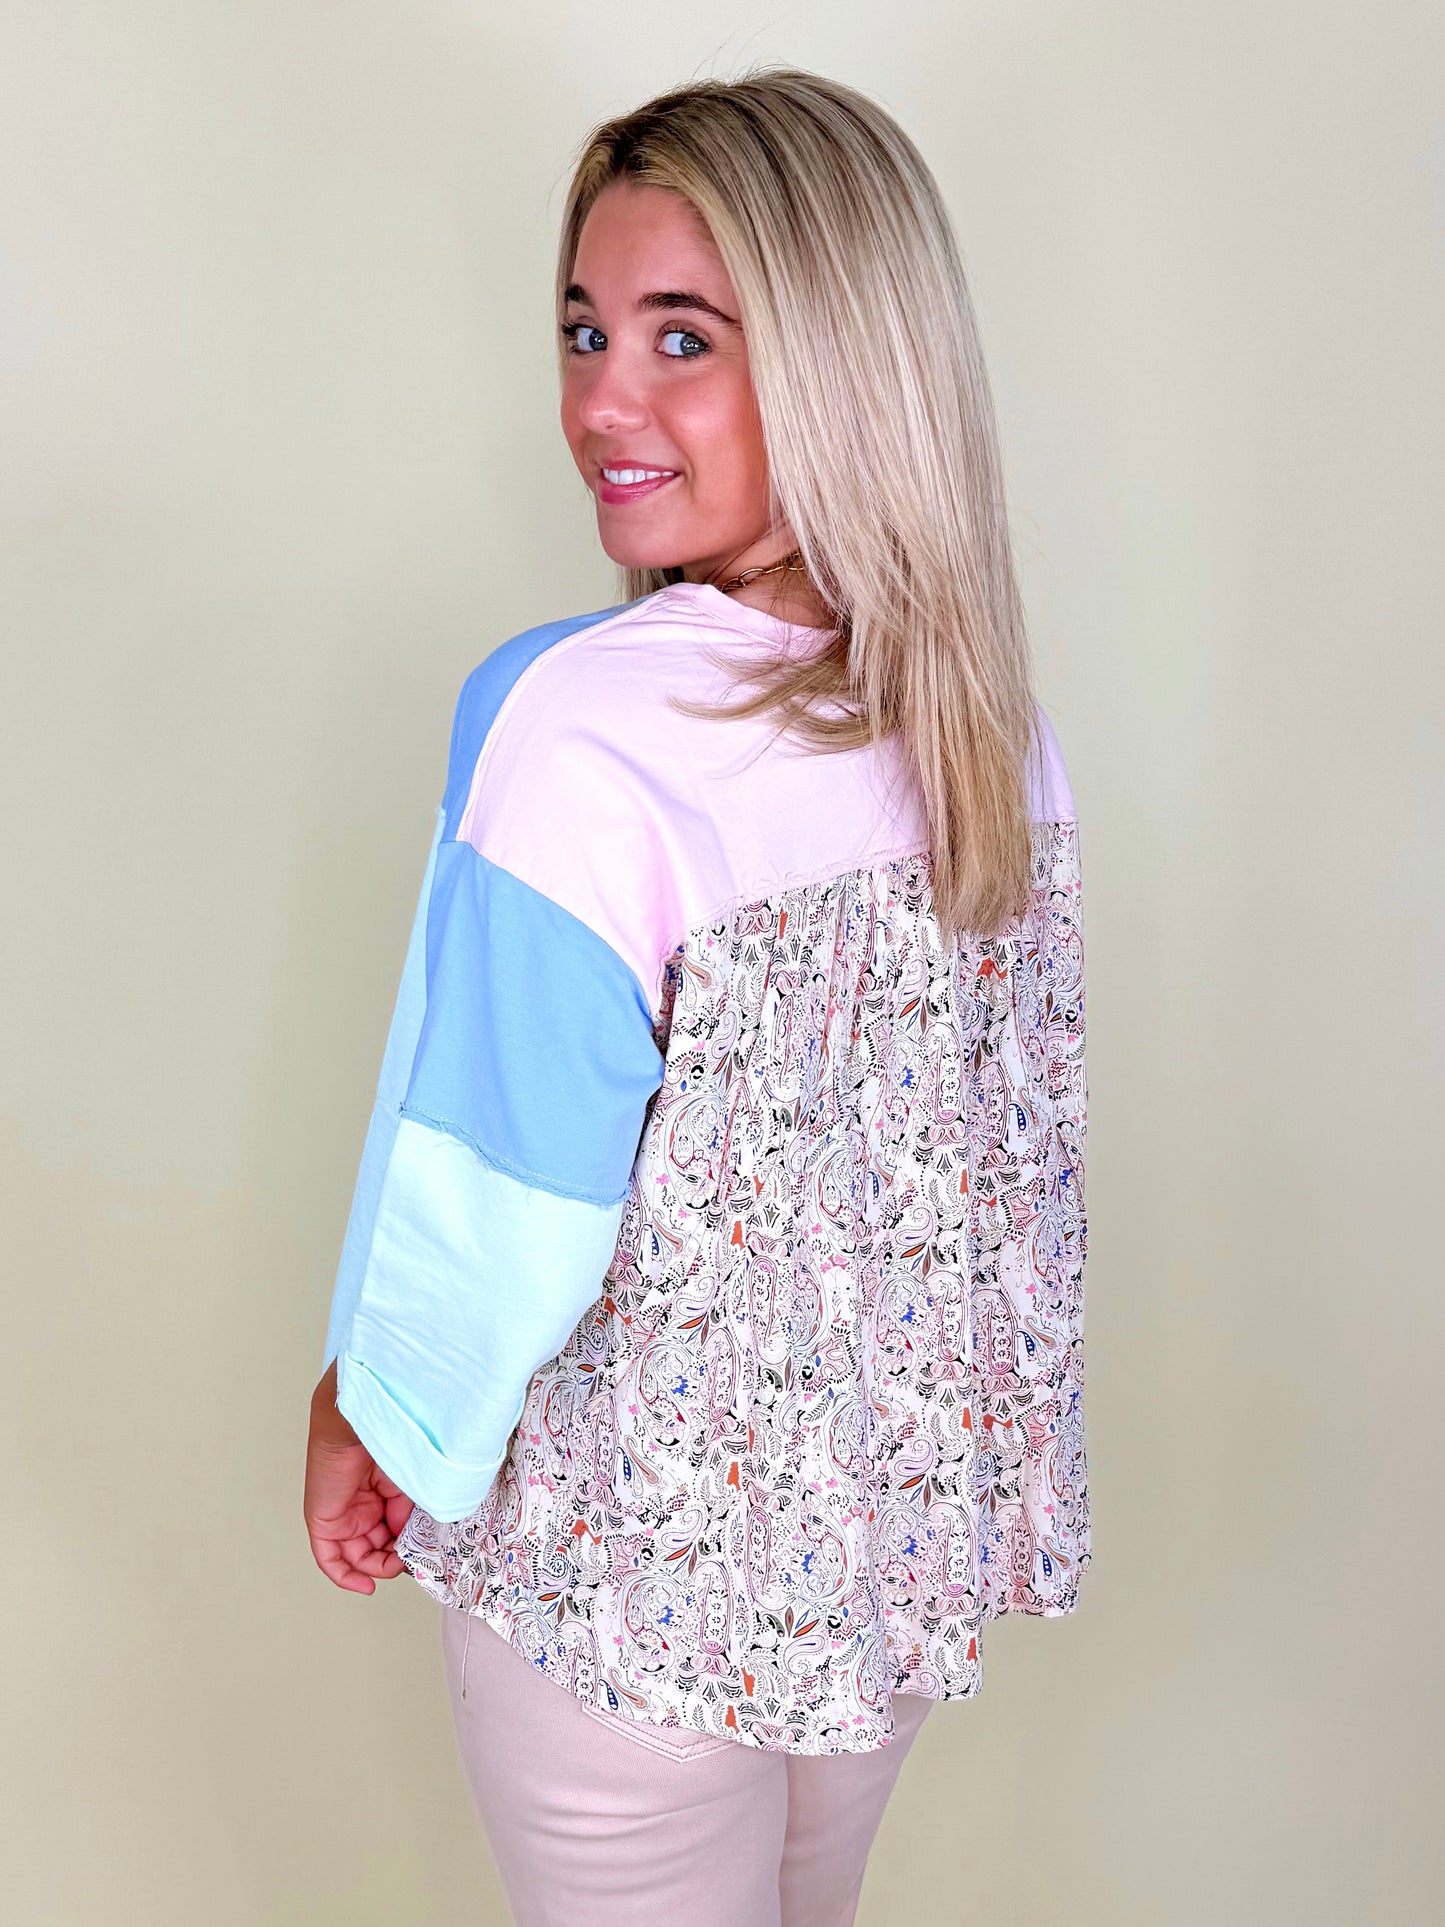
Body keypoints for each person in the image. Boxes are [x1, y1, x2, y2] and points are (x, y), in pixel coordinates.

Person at [303, 65, 1090, 1927]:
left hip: (629, 1600)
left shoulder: (578, 721)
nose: (601, 401)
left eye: (682, 339)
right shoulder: (985, 729)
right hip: (870, 1578)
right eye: (584, 330)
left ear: (839, 362)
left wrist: (375, 1413)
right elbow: (1009, 1174)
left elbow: (508, 1181)